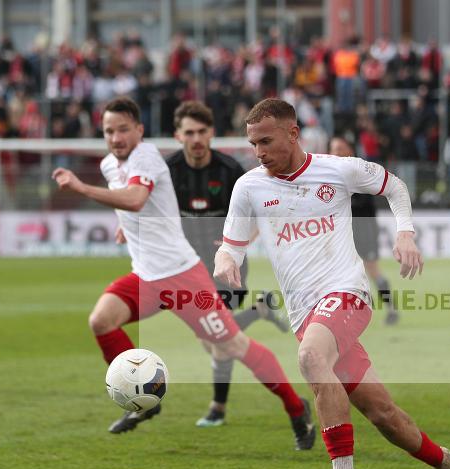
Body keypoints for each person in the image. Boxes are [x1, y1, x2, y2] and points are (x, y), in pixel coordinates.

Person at [214, 98, 450, 469]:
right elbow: (231, 243)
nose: (259, 152)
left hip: (347, 294)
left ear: (293, 133)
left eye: (266, 141)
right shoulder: (249, 186)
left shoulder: (337, 169)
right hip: (306, 314)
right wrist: (227, 260)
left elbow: (394, 185)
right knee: (385, 417)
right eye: (253, 144)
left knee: (308, 357)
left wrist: (406, 234)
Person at [51, 96, 315, 450]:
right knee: (101, 321)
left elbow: (135, 199)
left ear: (140, 131)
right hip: (145, 276)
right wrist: (125, 227)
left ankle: (297, 409)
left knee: (232, 346)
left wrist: (80, 188)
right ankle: (143, 398)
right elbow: (133, 208)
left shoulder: (145, 157)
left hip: (181, 277)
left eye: (124, 130)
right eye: (109, 131)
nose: (116, 138)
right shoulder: (109, 166)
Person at [166, 100, 288, 428]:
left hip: (226, 265)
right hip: (188, 269)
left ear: (211, 133)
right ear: (178, 135)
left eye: (201, 132)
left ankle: (217, 407)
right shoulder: (170, 172)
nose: (195, 138)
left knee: (217, 338)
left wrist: (235, 247)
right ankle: (259, 310)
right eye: (189, 132)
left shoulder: (230, 170)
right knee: (211, 337)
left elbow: (254, 212)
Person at [328, 136, 399, 325]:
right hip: (342, 233)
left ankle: (391, 309)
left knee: (372, 269)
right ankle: (345, 314)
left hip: (364, 229)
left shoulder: (360, 171)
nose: (337, 152)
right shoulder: (329, 176)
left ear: (350, 150)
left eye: (341, 148)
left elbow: (367, 201)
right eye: (334, 149)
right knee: (341, 274)